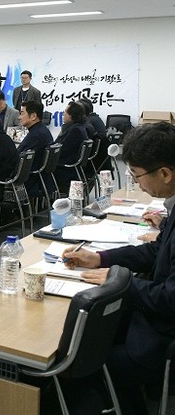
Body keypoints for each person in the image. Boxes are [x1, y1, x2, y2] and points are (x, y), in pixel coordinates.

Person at [61, 122, 175, 413]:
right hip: (153, 321)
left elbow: (170, 298)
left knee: (78, 360)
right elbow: (155, 252)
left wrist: (119, 281)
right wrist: (101, 258)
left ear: (165, 173)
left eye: (137, 175)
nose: (137, 183)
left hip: (160, 337)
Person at [17, 100, 54, 193]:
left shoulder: (35, 135)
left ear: (33, 116)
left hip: (30, 181)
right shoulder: (42, 130)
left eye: (22, 113)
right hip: (41, 179)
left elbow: (17, 158)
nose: (19, 117)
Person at [53, 101, 90, 191]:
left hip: (66, 169)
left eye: (65, 112)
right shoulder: (78, 127)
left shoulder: (75, 131)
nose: (63, 114)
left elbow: (62, 151)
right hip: (73, 168)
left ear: (71, 115)